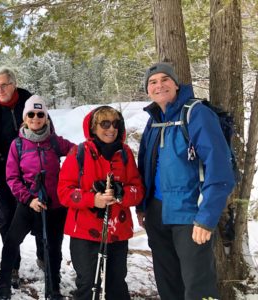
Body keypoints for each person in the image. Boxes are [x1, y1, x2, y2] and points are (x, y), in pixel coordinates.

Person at [137, 62, 235, 300]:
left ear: (175, 84)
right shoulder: (154, 119)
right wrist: (142, 207)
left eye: (164, 79)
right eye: (153, 82)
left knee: (197, 286)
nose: (159, 85)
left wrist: (207, 218)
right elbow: (146, 166)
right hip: (157, 213)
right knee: (168, 283)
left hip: (190, 214)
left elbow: (220, 167)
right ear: (148, 89)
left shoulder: (196, 113)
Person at [57, 106, 144, 300]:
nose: (111, 129)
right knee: (88, 284)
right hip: (85, 232)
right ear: (93, 127)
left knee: (116, 284)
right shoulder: (78, 153)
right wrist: (92, 199)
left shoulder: (125, 153)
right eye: (105, 124)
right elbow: (63, 192)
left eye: (115, 124)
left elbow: (138, 190)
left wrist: (123, 193)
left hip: (117, 231)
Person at [0, 95, 75, 300]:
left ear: (46, 117)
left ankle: (53, 286)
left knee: (54, 247)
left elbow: (77, 153)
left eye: (40, 114)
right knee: (12, 241)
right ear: (25, 117)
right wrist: (28, 198)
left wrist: (67, 175)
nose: (36, 118)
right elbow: (11, 178)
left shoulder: (55, 142)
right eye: (31, 113)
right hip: (29, 203)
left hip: (55, 205)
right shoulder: (18, 145)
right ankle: (3, 283)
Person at [0, 66, 42, 286]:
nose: (0, 90)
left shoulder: (30, 104)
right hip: (4, 175)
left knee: (39, 216)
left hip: (32, 174)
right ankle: (12, 265)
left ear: (14, 84)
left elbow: (47, 132)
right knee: (7, 220)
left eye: (4, 85)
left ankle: (45, 257)